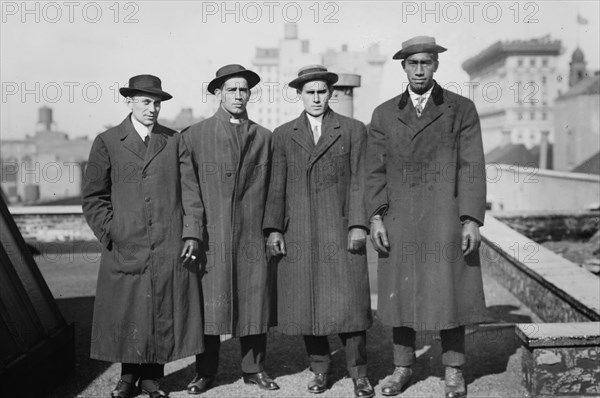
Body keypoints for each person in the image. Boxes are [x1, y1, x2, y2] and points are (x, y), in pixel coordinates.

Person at [364, 36, 488, 398]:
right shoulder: (384, 114)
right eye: (412, 63)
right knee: (401, 296)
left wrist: (470, 219)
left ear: (436, 66)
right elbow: (373, 171)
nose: (419, 69)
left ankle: (454, 371)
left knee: (451, 293)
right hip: (399, 219)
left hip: (444, 218)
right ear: (403, 66)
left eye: (426, 63)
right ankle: (402, 368)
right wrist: (374, 216)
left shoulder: (460, 109)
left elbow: (472, 167)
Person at [81, 74, 204, 398]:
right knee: (128, 310)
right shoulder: (108, 141)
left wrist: (191, 234)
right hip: (126, 242)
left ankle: (152, 378)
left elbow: (190, 193)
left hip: (167, 241)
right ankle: (127, 378)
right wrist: (113, 231)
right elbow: (94, 196)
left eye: (157, 102)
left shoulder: (175, 140)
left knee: (160, 308)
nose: (153, 108)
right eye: (146, 101)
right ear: (129, 101)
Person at [264, 65, 374, 398]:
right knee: (306, 303)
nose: (316, 98)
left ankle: (359, 374)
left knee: (350, 306)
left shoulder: (353, 130)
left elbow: (361, 181)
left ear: (331, 93)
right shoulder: (283, 135)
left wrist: (358, 224)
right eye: (309, 92)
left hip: (339, 231)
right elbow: (276, 187)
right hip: (299, 232)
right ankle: (320, 369)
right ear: (299, 95)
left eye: (321, 92)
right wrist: (274, 229)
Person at [182, 64, 279, 394]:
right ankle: (205, 372)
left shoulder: (264, 137)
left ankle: (254, 369)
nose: (239, 95)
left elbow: (274, 190)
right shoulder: (195, 135)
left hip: (252, 235)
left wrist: (271, 230)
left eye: (244, 90)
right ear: (218, 94)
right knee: (210, 305)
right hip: (213, 235)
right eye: (232, 90)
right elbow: (189, 190)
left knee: (255, 301)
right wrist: (193, 232)